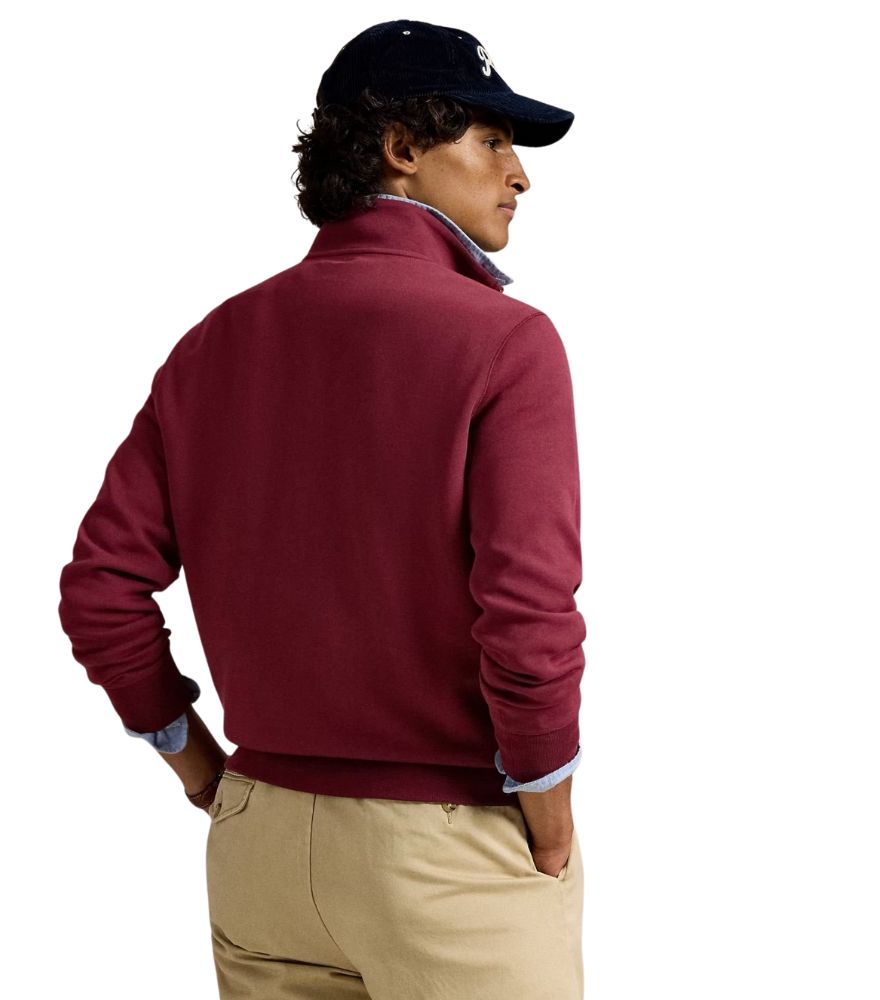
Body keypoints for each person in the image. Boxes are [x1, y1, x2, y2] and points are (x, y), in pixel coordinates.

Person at [58, 18, 587, 1000]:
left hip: (258, 848)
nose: (520, 173)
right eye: (491, 140)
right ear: (402, 147)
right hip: (448, 851)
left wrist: (202, 770)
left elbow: (99, 589)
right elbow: (525, 608)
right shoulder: (505, 342)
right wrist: (547, 802)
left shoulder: (213, 344)